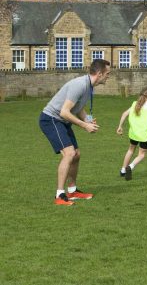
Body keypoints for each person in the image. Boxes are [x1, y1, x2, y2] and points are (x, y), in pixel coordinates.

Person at [38, 59, 111, 206]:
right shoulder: (80, 85)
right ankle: (60, 194)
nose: (109, 76)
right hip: (51, 119)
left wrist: (88, 120)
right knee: (70, 153)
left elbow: (78, 108)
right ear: (99, 73)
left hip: (62, 121)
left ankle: (72, 190)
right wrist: (84, 126)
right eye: (107, 73)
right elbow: (64, 112)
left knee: (76, 155)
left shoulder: (89, 86)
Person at [116, 87, 147, 180]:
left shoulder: (135, 104)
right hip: (145, 134)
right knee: (141, 154)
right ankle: (130, 167)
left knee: (130, 150)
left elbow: (124, 114)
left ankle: (123, 170)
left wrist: (120, 126)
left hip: (134, 132)